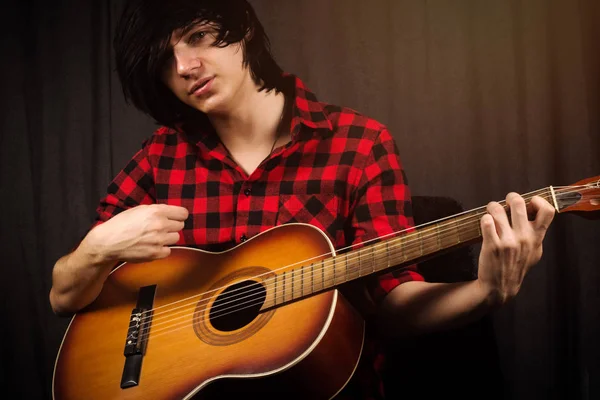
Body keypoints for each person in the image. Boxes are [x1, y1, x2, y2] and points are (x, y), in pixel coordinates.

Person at [49, 0, 556, 398]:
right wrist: (97, 249)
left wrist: (487, 291)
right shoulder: (161, 156)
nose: (184, 65)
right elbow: (64, 296)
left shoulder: (359, 143)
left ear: (242, 27)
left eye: (199, 36)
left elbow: (394, 303)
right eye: (164, 58)